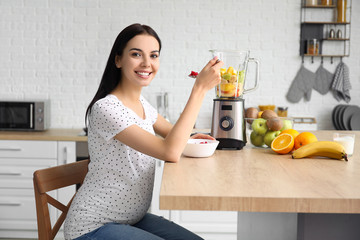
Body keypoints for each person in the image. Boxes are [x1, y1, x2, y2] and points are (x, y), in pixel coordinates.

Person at [64, 23, 223, 240]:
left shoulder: (141, 103)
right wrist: (200, 89)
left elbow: (172, 134)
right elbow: (170, 151)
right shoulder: (107, 108)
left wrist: (192, 137)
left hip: (131, 218)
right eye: (136, 54)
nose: (147, 63)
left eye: (154, 55)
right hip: (93, 227)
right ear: (118, 59)